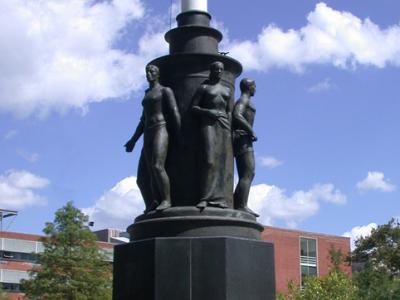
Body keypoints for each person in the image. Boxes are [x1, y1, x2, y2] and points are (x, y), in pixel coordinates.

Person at [125, 64, 181, 213]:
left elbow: (175, 113)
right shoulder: (147, 93)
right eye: (147, 72)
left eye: (153, 71)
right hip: (148, 133)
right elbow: (143, 120)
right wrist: (133, 140)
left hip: (160, 129)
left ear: (158, 74)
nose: (149, 74)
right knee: (142, 178)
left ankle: (166, 200)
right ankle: (152, 202)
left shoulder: (165, 91)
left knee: (157, 166)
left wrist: (178, 136)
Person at [191, 61, 232, 209]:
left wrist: (229, 126)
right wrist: (208, 112)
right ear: (211, 71)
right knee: (209, 160)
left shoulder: (227, 90)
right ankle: (205, 197)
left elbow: (229, 111)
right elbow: (193, 107)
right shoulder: (204, 88)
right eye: (216, 69)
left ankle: (219, 198)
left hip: (224, 125)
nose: (219, 72)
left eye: (221, 69)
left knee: (221, 163)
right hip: (208, 124)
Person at [233, 78, 259, 216]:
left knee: (248, 172)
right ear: (249, 87)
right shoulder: (244, 100)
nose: (256, 89)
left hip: (244, 138)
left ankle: (237, 202)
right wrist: (250, 130)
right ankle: (240, 205)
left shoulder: (245, 100)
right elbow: (237, 114)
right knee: (248, 172)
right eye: (254, 86)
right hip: (242, 138)